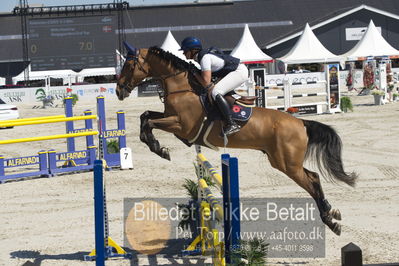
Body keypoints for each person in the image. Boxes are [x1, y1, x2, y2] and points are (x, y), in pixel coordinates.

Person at [180, 36, 248, 136]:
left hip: (239, 72)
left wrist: (194, 73)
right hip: (233, 72)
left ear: (192, 50)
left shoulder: (204, 58)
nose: (183, 53)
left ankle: (231, 123)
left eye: (185, 50)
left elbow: (206, 83)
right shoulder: (201, 57)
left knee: (216, 91)